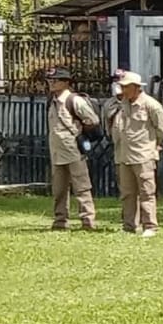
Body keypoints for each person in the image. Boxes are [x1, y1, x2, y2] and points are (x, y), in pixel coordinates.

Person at [107, 71, 163, 237]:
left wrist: (153, 145)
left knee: (146, 192)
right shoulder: (123, 104)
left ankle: (150, 226)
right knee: (127, 193)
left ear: (136, 87)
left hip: (143, 155)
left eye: (126, 87)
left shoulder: (151, 105)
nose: (123, 90)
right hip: (123, 154)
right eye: (121, 86)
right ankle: (129, 225)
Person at [46, 67, 99, 231]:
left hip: (73, 149)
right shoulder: (52, 101)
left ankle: (87, 220)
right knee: (59, 189)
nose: (52, 83)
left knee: (82, 187)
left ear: (66, 82)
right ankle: (60, 220)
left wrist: (80, 133)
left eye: (56, 80)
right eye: (50, 80)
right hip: (57, 150)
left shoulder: (74, 101)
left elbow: (92, 120)